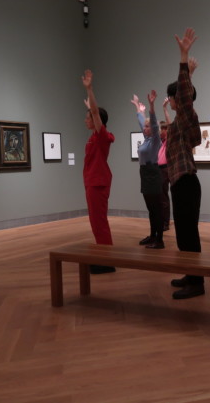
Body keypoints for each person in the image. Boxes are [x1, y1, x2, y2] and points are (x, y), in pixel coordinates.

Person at [165, 28, 204, 300]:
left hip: (187, 182)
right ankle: (191, 274)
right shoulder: (180, 120)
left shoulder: (188, 115)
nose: (172, 99)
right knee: (183, 234)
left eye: (175, 96)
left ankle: (197, 283)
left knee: (189, 234)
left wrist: (183, 58)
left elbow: (186, 96)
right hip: (180, 182)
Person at [81, 69, 116, 274]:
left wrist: (90, 89)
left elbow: (95, 113)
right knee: (95, 221)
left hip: (98, 182)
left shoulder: (103, 136)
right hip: (92, 182)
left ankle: (107, 260)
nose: (85, 120)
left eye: (88, 117)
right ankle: (104, 256)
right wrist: (89, 102)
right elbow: (94, 112)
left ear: (96, 120)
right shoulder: (95, 136)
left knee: (99, 222)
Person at [131, 92, 164, 249]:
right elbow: (141, 120)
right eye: (144, 127)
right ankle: (152, 236)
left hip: (153, 173)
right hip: (145, 173)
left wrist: (151, 106)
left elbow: (155, 126)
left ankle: (160, 239)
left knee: (156, 208)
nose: (144, 128)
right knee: (151, 209)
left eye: (147, 127)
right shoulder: (147, 140)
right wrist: (138, 106)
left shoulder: (155, 140)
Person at [158, 97, 171, 231]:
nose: (161, 131)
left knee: (164, 196)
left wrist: (165, 108)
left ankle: (166, 223)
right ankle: (161, 220)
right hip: (159, 169)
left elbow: (170, 124)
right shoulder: (159, 142)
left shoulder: (168, 140)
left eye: (163, 129)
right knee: (160, 196)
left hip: (166, 169)